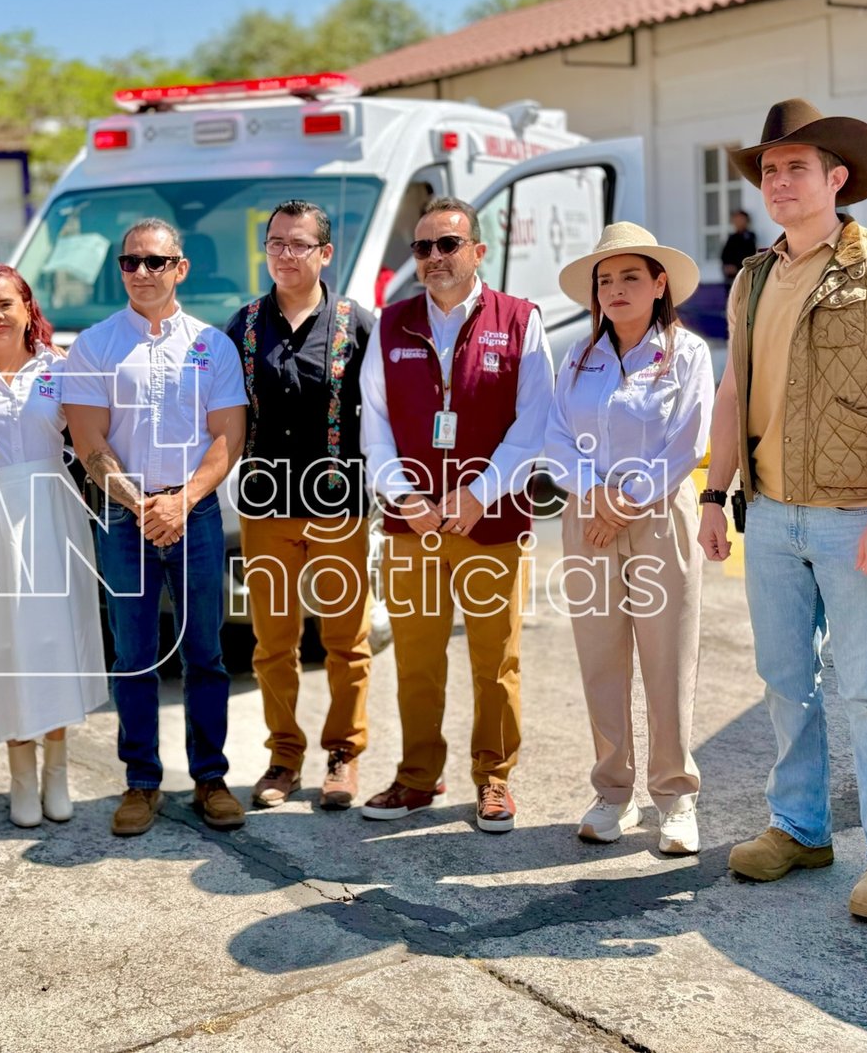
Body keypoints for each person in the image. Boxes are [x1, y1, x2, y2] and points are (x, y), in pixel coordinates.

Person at [700, 99, 867, 923]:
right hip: (769, 516)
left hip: (853, 514)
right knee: (784, 683)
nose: (778, 180)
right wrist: (710, 493)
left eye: (796, 166)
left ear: (837, 179)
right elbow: (735, 390)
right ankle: (800, 829)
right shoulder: (753, 276)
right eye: (769, 168)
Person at [359, 196, 553, 835]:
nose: (435, 258)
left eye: (448, 244)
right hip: (412, 525)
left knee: (495, 660)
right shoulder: (392, 323)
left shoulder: (520, 320)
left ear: (478, 250)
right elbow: (375, 426)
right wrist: (405, 499)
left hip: (491, 522)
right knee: (415, 658)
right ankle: (417, 777)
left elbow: (534, 422)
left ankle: (493, 778)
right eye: (423, 248)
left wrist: (481, 495)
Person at [64, 218, 249, 837]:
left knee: (206, 654)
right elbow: (88, 440)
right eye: (131, 262)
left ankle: (210, 778)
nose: (143, 272)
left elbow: (228, 437)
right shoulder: (93, 345)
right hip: (123, 516)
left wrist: (180, 501)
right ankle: (141, 782)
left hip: (194, 515)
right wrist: (140, 503)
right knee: (134, 656)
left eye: (156, 262)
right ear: (120, 269)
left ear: (181, 268)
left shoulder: (212, 345)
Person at [543, 222, 713, 855]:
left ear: (659, 283)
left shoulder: (686, 353)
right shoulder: (578, 358)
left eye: (630, 277)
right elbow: (556, 435)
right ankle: (613, 793)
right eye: (605, 280)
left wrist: (626, 501)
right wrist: (594, 497)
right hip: (587, 518)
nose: (615, 290)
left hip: (660, 516)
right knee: (600, 657)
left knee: (669, 657)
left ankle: (675, 798)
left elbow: (690, 438)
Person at [225, 200, 375, 810]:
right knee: (273, 641)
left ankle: (344, 754)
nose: (285, 255)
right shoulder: (243, 326)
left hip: (339, 504)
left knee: (346, 639)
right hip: (266, 506)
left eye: (299, 244)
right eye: (276, 244)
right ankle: (284, 755)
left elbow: (386, 417)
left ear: (324, 253)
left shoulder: (358, 324)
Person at [0, 264, 108, 826]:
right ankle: (19, 777)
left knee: (50, 643)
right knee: (1, 645)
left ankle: (56, 772)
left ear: (27, 307)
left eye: (6, 303)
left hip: (49, 513)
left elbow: (95, 435)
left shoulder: (59, 367)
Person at [720, 209, 757, 285]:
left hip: (745, 274)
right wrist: (727, 266)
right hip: (732, 278)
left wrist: (737, 267)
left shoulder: (750, 237)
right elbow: (724, 255)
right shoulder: (732, 238)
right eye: (736, 220)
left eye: (741, 219)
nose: (738, 222)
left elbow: (750, 255)